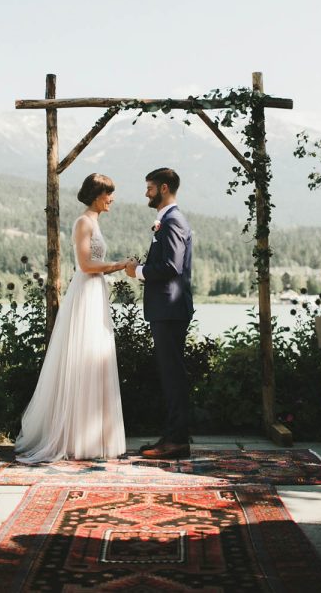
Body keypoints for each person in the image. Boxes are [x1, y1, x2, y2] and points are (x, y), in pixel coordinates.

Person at [15, 173, 128, 462]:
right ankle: (75, 437)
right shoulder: (83, 222)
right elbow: (85, 263)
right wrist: (119, 265)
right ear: (96, 195)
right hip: (85, 294)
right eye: (108, 194)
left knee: (97, 355)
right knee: (83, 356)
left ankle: (95, 436)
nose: (112, 199)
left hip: (96, 293)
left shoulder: (95, 222)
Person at [125, 167, 193, 459]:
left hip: (169, 308)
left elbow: (171, 267)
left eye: (150, 188)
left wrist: (137, 271)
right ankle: (172, 436)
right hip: (166, 309)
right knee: (170, 375)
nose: (146, 193)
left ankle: (176, 441)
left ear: (164, 188)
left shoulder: (173, 220)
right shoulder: (167, 220)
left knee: (173, 376)